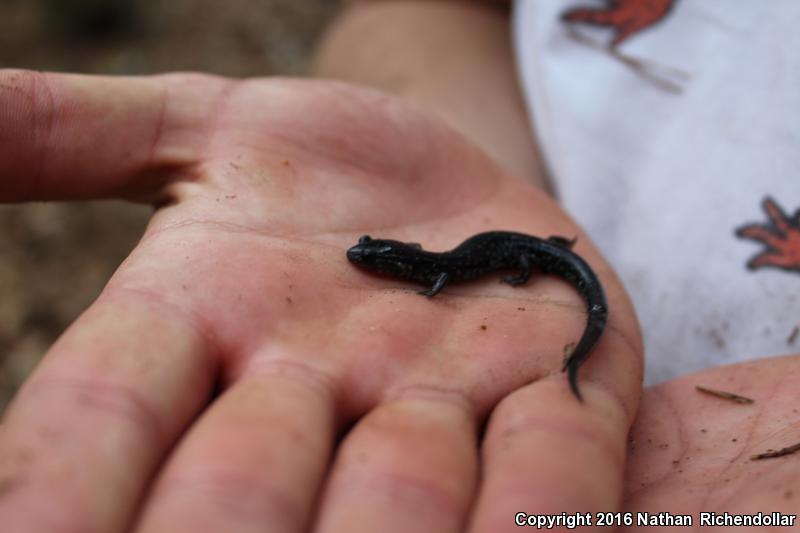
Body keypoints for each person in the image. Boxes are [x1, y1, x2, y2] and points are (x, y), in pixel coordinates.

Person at [0, 1, 796, 531]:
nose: (367, 263)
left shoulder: (433, 274)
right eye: (371, 258)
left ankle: (577, 322)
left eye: (370, 259)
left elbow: (448, 273)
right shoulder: (415, 264)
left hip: (659, 382)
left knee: (546, 277)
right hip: (554, 256)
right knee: (546, 271)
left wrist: (521, 271)